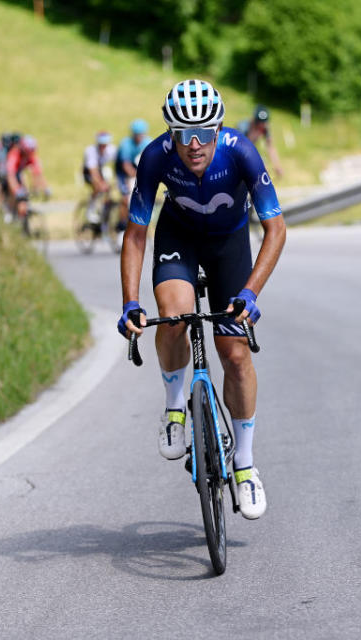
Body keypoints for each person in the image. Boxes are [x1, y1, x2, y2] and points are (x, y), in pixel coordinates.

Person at [118, 79, 286, 520]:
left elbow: (276, 228)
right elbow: (136, 233)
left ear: (219, 128)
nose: (195, 144)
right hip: (180, 238)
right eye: (184, 133)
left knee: (234, 354)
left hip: (229, 244)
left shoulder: (241, 151)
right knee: (173, 317)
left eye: (205, 133)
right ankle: (175, 407)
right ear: (170, 132)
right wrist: (129, 302)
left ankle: (245, 465)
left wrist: (250, 292)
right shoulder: (155, 156)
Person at [114, 119, 151, 240]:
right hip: (123, 171)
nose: (139, 137)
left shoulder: (148, 142)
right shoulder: (126, 144)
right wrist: (136, 175)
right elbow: (125, 165)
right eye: (137, 135)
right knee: (126, 198)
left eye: (141, 135)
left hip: (137, 169)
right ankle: (121, 227)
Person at [5, 134, 51, 228]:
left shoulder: (30, 156)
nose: (30, 154)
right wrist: (16, 191)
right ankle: (8, 215)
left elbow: (37, 173)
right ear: (23, 149)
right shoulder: (14, 154)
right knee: (16, 197)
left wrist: (45, 188)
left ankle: (22, 224)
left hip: (18, 174)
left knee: (24, 199)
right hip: (8, 175)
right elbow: (10, 176)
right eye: (28, 152)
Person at [238, 104, 283, 178]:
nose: (262, 126)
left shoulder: (265, 128)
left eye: (264, 123)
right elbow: (240, 149)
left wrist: (277, 166)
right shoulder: (243, 127)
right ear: (254, 120)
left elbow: (270, 147)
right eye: (259, 123)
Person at [81, 131, 117, 224]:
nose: (103, 147)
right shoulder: (90, 151)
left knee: (108, 185)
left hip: (100, 169)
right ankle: (90, 209)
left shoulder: (111, 149)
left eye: (105, 145)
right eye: (101, 144)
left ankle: (105, 208)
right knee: (98, 187)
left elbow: (119, 162)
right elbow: (93, 172)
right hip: (88, 172)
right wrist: (101, 184)